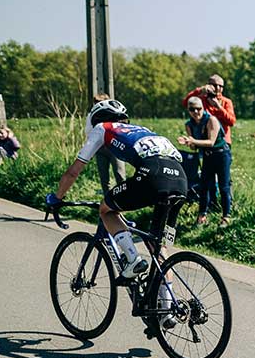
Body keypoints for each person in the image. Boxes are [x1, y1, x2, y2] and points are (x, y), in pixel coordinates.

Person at [45, 99, 188, 285]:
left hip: (153, 175)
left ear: (96, 118)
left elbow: (73, 172)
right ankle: (166, 309)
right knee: (158, 245)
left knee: (106, 209)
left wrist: (56, 198)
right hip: (180, 179)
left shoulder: (102, 128)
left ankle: (132, 259)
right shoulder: (141, 130)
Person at [178, 96, 232, 227]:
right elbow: (194, 146)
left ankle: (226, 216)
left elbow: (211, 142)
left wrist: (192, 141)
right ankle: (202, 215)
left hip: (221, 154)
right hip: (207, 155)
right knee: (204, 186)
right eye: (192, 109)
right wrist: (188, 142)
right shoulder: (189, 124)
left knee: (224, 186)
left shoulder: (211, 120)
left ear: (203, 108)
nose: (196, 112)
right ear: (188, 110)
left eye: (198, 109)